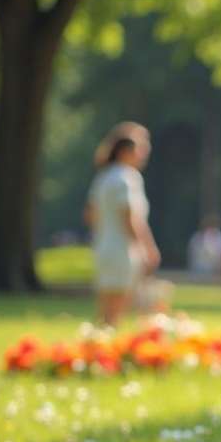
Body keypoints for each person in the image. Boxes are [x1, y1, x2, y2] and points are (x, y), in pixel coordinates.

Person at [85, 123, 160, 327]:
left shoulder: (103, 177)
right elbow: (130, 218)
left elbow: (90, 215)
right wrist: (147, 247)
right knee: (116, 313)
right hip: (123, 250)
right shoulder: (127, 178)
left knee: (105, 312)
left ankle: (95, 349)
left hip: (103, 247)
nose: (144, 155)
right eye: (141, 149)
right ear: (126, 151)